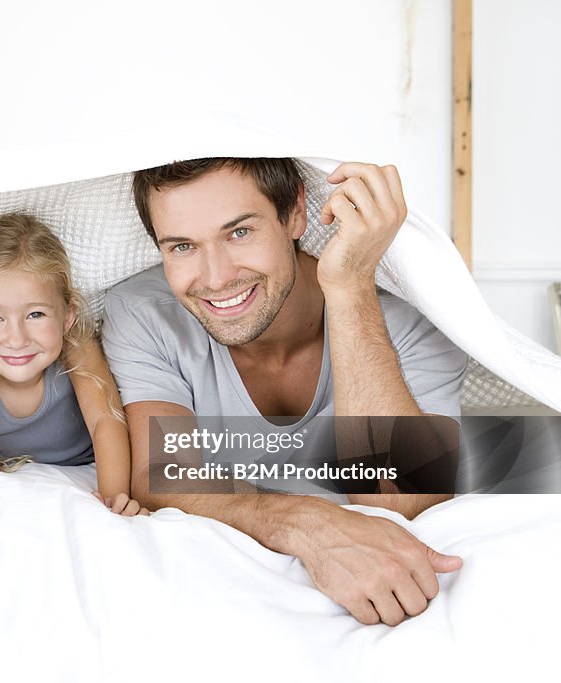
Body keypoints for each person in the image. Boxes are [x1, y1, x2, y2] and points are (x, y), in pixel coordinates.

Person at [101, 158, 469, 625]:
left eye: (239, 233)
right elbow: (165, 473)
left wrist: (351, 286)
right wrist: (308, 523)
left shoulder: (411, 322)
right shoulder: (142, 312)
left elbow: (400, 500)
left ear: (295, 213)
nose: (215, 278)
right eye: (182, 246)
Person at [0, 213, 145, 516]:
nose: (16, 339)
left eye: (36, 315)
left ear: (67, 315)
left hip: (88, 470)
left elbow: (105, 422)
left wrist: (114, 499)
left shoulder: (77, 351)